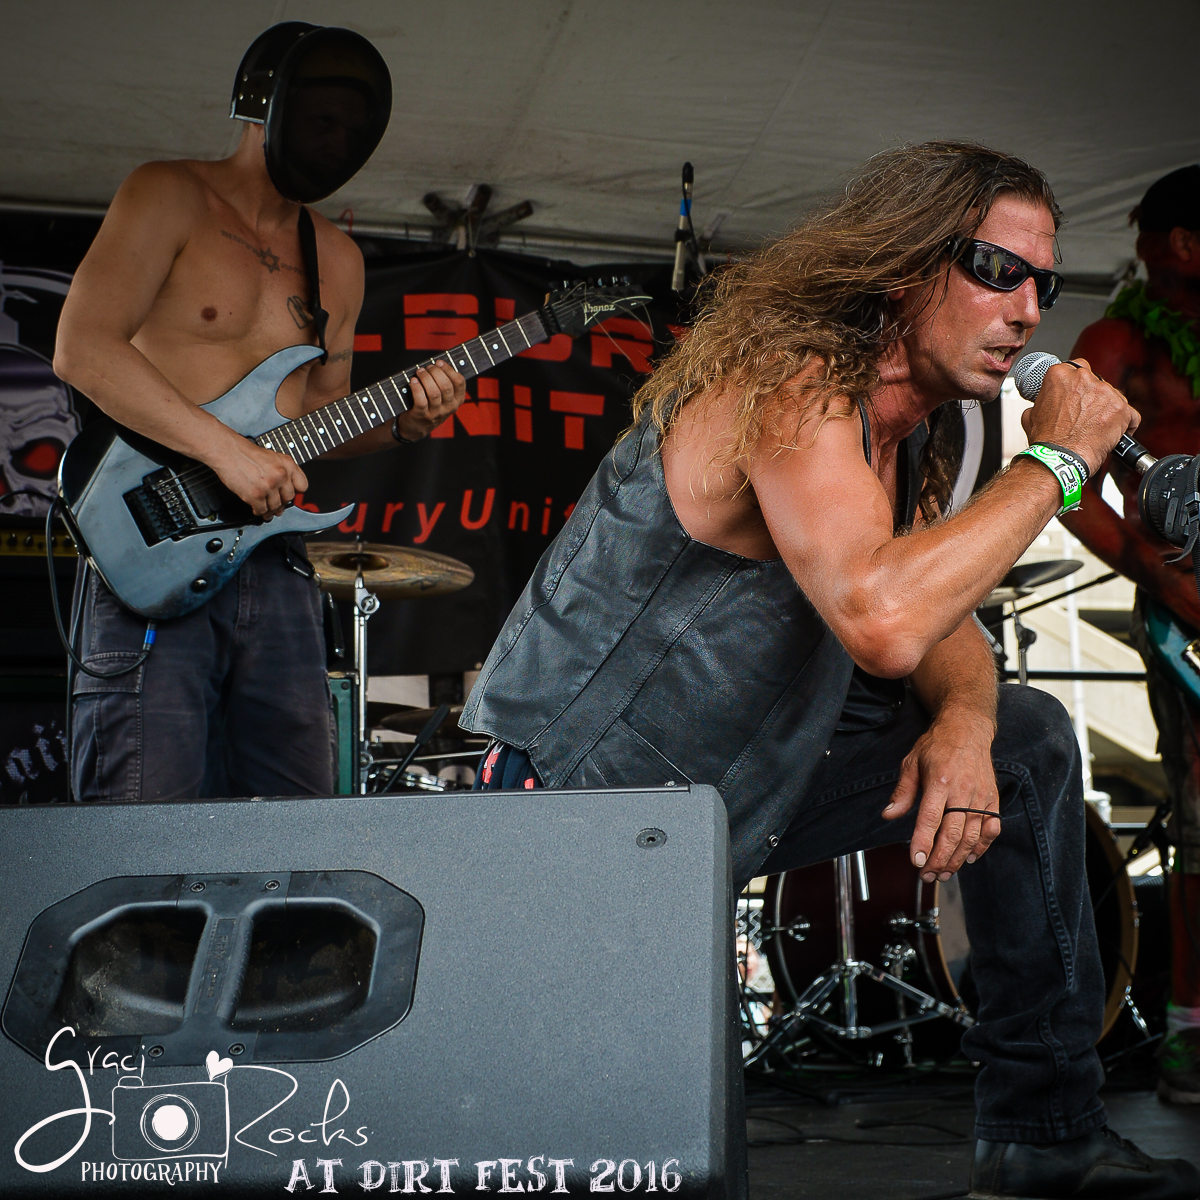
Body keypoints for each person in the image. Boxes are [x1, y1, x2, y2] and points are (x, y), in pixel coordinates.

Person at [463, 143, 1200, 1199]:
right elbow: (882, 619)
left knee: (1024, 736)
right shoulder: (794, 383)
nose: (1030, 311)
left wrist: (963, 727)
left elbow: (939, 622)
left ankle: (1046, 1134)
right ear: (904, 265)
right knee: (673, 1167)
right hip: (590, 808)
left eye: (1043, 282)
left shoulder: (915, 432)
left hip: (735, 793)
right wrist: (1058, 462)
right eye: (998, 271)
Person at [52, 23, 465, 802]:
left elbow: (322, 415)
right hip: (154, 543)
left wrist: (405, 424)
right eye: (322, 120)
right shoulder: (168, 193)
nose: (337, 142)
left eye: (353, 131)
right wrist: (225, 451)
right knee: (141, 816)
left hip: (272, 564)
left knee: (292, 821)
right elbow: (83, 349)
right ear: (264, 108)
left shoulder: (337, 259)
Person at [1062, 165, 1200, 1107]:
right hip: (1185, 611)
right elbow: (1065, 486)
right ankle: (1191, 1028)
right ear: (1179, 244)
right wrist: (1159, 575)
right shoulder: (1114, 346)